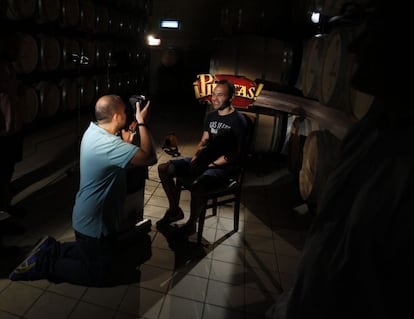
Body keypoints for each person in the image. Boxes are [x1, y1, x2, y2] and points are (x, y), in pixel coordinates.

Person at [266, 1, 412, 318]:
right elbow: (331, 243)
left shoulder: (405, 164)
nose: (355, 47)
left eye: (372, 35)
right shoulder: (368, 132)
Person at [8, 94, 157, 286]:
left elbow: (112, 161)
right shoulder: (108, 144)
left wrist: (126, 144)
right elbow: (149, 157)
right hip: (95, 224)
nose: (128, 113)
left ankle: (52, 248)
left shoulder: (94, 131)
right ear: (116, 117)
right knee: (98, 274)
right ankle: (43, 264)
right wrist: (142, 123)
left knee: (96, 254)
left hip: (93, 220)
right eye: (124, 111)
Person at [156, 79, 248, 236]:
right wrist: (196, 156)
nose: (215, 98)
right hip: (205, 160)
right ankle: (174, 210)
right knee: (164, 168)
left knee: (198, 185)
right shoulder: (210, 116)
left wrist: (211, 164)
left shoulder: (238, 121)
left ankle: (191, 224)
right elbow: (204, 140)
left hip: (224, 167)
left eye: (221, 95)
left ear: (231, 97)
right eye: (214, 94)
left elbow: (236, 154)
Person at [0, 31, 25, 251]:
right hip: (2, 133)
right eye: (14, 45)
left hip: (13, 131)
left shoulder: (10, 66)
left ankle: (7, 209)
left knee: (7, 172)